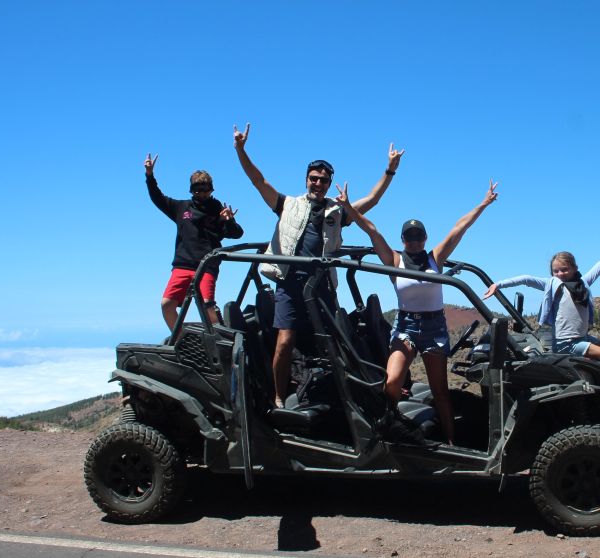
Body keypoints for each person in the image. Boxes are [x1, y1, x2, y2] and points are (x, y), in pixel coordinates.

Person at [233, 123, 405, 408]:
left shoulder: (338, 211)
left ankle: (348, 395)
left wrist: (390, 170)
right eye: (314, 178)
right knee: (285, 341)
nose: (318, 184)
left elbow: (372, 200)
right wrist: (241, 150)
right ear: (306, 179)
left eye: (324, 180)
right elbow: (258, 180)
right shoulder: (286, 204)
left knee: (335, 341)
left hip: (321, 285)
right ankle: (278, 396)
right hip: (289, 281)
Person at [334, 180, 499, 445]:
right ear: (403, 240)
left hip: (434, 327)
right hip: (406, 326)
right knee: (392, 382)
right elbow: (372, 230)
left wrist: (483, 203)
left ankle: (450, 444)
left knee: (440, 391)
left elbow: (460, 227)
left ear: (425, 238)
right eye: (409, 237)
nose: (413, 241)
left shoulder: (435, 258)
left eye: (418, 236)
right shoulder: (394, 260)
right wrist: (348, 208)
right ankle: (393, 432)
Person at [483, 251, 600, 393]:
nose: (559, 274)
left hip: (582, 337)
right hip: (567, 343)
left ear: (574, 268)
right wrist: (498, 284)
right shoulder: (552, 284)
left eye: (564, 270)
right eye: (556, 271)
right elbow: (526, 279)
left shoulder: (583, 283)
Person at [144, 153, 244, 333]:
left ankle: (220, 343)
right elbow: (157, 198)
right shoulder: (181, 208)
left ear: (211, 189)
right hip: (183, 265)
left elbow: (236, 234)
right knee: (167, 304)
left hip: (207, 266)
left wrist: (228, 220)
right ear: (191, 190)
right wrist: (150, 175)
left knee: (207, 306)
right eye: (197, 190)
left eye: (205, 190)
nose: (201, 194)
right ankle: (181, 341)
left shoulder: (218, 210)